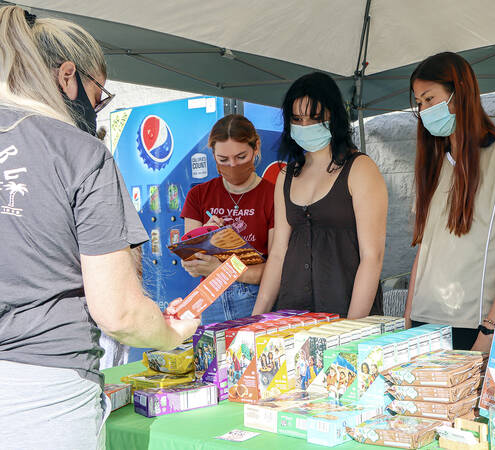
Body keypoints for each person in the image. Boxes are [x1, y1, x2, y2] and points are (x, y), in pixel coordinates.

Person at [0, 6, 199, 449]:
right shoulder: (78, 152)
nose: (96, 107)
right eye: (100, 94)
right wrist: (170, 333)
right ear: (68, 75)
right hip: (43, 397)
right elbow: (119, 313)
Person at [403, 52, 495, 351]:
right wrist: (408, 317)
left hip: (475, 327)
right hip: (424, 326)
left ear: (458, 93)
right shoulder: (432, 164)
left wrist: (490, 329)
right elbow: (423, 251)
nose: (423, 110)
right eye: (419, 103)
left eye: (429, 99)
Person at [253, 72, 387, 318]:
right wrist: (255, 319)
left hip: (345, 311)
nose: (305, 126)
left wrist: (352, 327)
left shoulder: (360, 168)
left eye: (315, 118)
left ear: (333, 116)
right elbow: (279, 253)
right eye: (297, 118)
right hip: (292, 314)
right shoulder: (286, 175)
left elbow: (372, 256)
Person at [180, 114, 274, 324]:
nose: (232, 165)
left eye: (241, 157)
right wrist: (204, 235)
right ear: (213, 155)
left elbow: (275, 271)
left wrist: (220, 269)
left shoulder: (274, 195)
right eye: (223, 160)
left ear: (256, 147)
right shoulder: (198, 195)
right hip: (211, 300)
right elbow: (192, 266)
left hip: (258, 300)